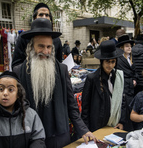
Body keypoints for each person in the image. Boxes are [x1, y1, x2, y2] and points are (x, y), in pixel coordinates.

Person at [18, 18, 96, 148]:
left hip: (59, 136)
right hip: (32, 138)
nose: (46, 51)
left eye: (49, 47)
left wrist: (83, 130)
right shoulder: (19, 72)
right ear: (31, 47)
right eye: (41, 46)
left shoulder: (62, 69)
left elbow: (72, 105)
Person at [0, 71, 46, 148]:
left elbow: (38, 140)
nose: (5, 93)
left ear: (18, 93)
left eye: (10, 89)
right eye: (1, 89)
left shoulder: (31, 116)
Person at [81, 40, 126, 132]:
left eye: (113, 62)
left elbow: (123, 101)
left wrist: (122, 121)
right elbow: (85, 106)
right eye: (107, 62)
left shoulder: (119, 77)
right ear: (101, 62)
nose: (110, 65)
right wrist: (86, 130)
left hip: (114, 125)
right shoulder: (92, 78)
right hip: (97, 125)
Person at [12, 3, 63, 73]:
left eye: (47, 15)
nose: (44, 17)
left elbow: (59, 62)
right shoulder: (24, 38)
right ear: (34, 18)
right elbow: (16, 64)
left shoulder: (56, 40)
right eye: (41, 14)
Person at [116, 34, 139, 131]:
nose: (129, 48)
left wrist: (135, 79)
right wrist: (131, 80)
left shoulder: (131, 58)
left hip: (131, 88)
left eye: (130, 46)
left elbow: (135, 71)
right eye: (127, 46)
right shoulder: (119, 59)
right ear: (121, 48)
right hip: (124, 87)